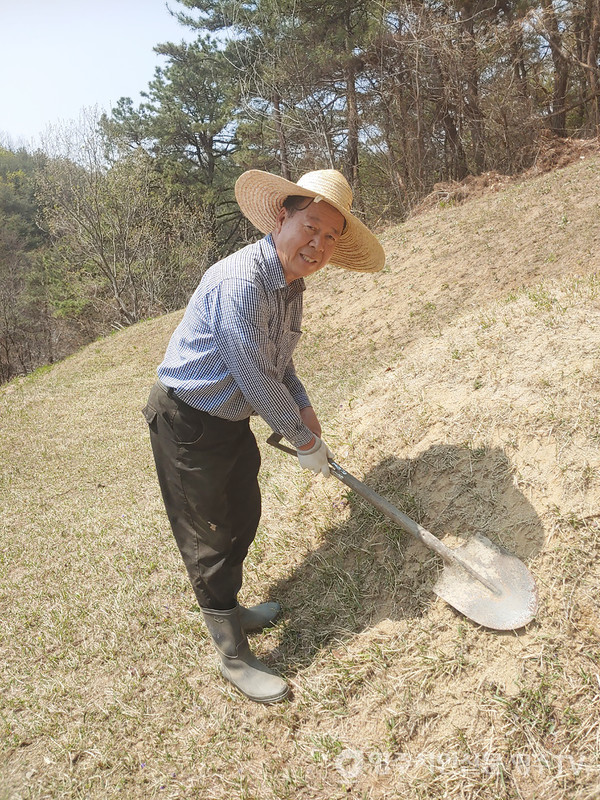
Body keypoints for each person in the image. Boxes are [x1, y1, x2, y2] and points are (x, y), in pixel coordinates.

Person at [142, 168, 385, 703]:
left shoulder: (291, 284)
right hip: (187, 420)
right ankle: (230, 650)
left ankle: (232, 608)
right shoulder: (241, 281)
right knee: (209, 534)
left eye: (330, 238)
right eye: (311, 227)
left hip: (232, 420)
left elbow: (279, 359)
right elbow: (252, 372)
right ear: (283, 217)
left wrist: (303, 406)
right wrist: (301, 437)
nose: (318, 245)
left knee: (242, 512)